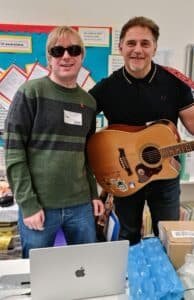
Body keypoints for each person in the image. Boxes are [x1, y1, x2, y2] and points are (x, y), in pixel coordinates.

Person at [89, 16, 194, 245]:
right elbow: (79, 124)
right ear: (121, 47)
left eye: (145, 44)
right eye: (131, 43)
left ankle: (164, 280)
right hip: (123, 175)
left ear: (154, 47)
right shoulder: (106, 87)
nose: (138, 50)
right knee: (127, 237)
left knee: (167, 237)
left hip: (165, 174)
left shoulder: (176, 84)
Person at [4, 26, 104, 258]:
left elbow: (86, 155)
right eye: (58, 50)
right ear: (49, 58)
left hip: (80, 206)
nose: (66, 56)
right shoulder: (30, 93)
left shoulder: (88, 102)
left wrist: (93, 195)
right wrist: (28, 204)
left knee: (85, 267)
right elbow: (14, 154)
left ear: (82, 56)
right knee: (37, 276)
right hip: (40, 206)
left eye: (74, 49)